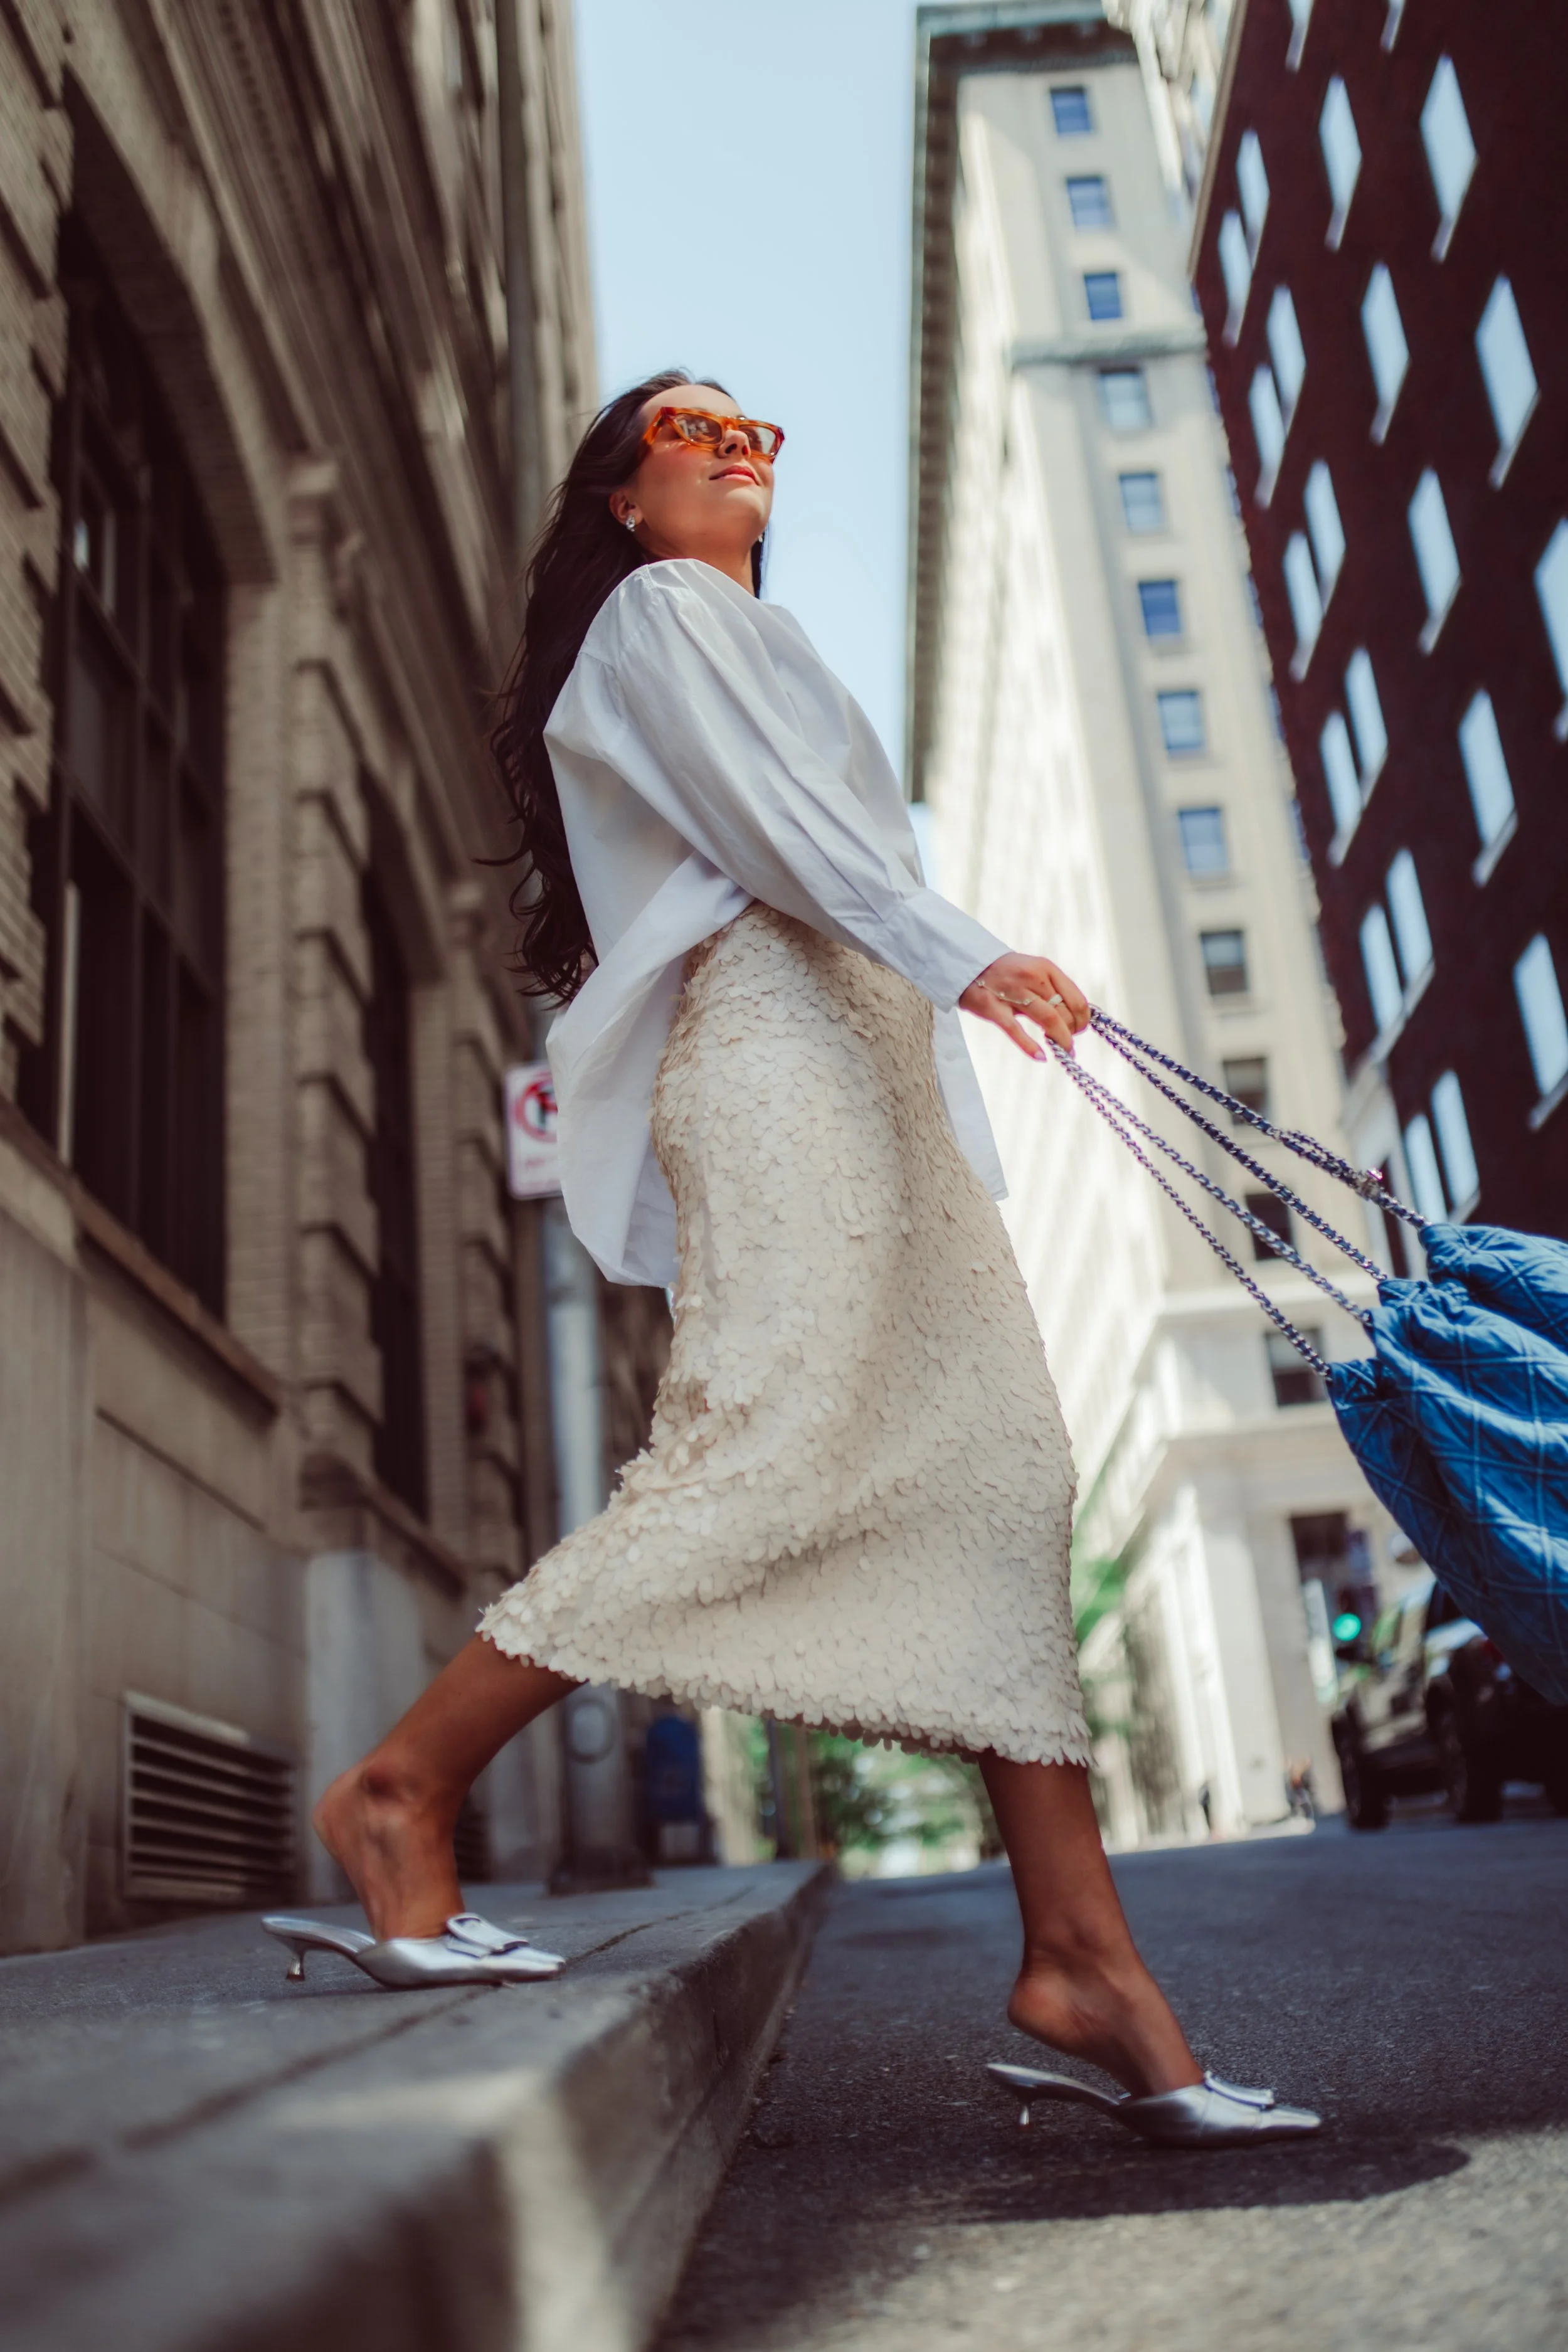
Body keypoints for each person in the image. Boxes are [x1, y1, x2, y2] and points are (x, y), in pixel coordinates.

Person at [263, 371, 1318, 2148]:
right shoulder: (658, 616)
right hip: (773, 1058)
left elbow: (809, 838)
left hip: (864, 1066)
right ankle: (397, 1787)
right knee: (757, 1445)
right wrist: (964, 946)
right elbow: (777, 836)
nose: (740, 442)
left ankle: (1080, 1957)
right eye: (691, 428)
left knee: (999, 1475)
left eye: (759, 427)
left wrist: (932, 973)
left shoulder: (743, 632)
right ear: (620, 493)